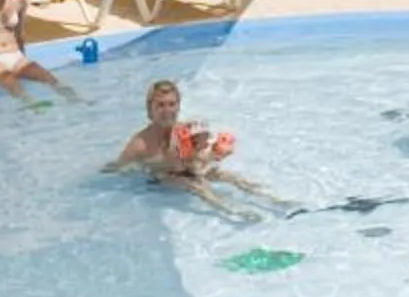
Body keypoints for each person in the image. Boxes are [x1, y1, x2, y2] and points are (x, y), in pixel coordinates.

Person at [110, 78, 291, 218]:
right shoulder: (140, 144)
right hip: (158, 180)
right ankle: (233, 212)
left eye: (172, 104)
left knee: (227, 176)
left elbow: (197, 159)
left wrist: (215, 153)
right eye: (160, 105)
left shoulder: (185, 131)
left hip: (184, 170)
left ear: (178, 107)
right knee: (195, 185)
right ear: (150, 110)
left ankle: (274, 201)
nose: (167, 110)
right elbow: (119, 170)